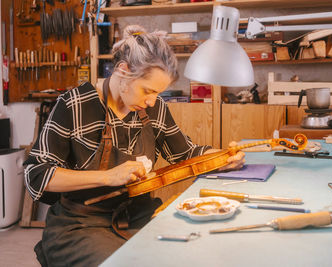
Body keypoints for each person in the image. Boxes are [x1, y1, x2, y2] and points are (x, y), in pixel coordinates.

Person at [24, 25, 245, 266]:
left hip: (139, 214)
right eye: (147, 90)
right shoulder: (75, 104)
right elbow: (38, 175)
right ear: (123, 70)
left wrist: (223, 158)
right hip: (82, 224)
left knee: (195, 252)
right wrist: (107, 177)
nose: (152, 101)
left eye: (158, 93)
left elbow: (186, 154)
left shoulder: (154, 107)